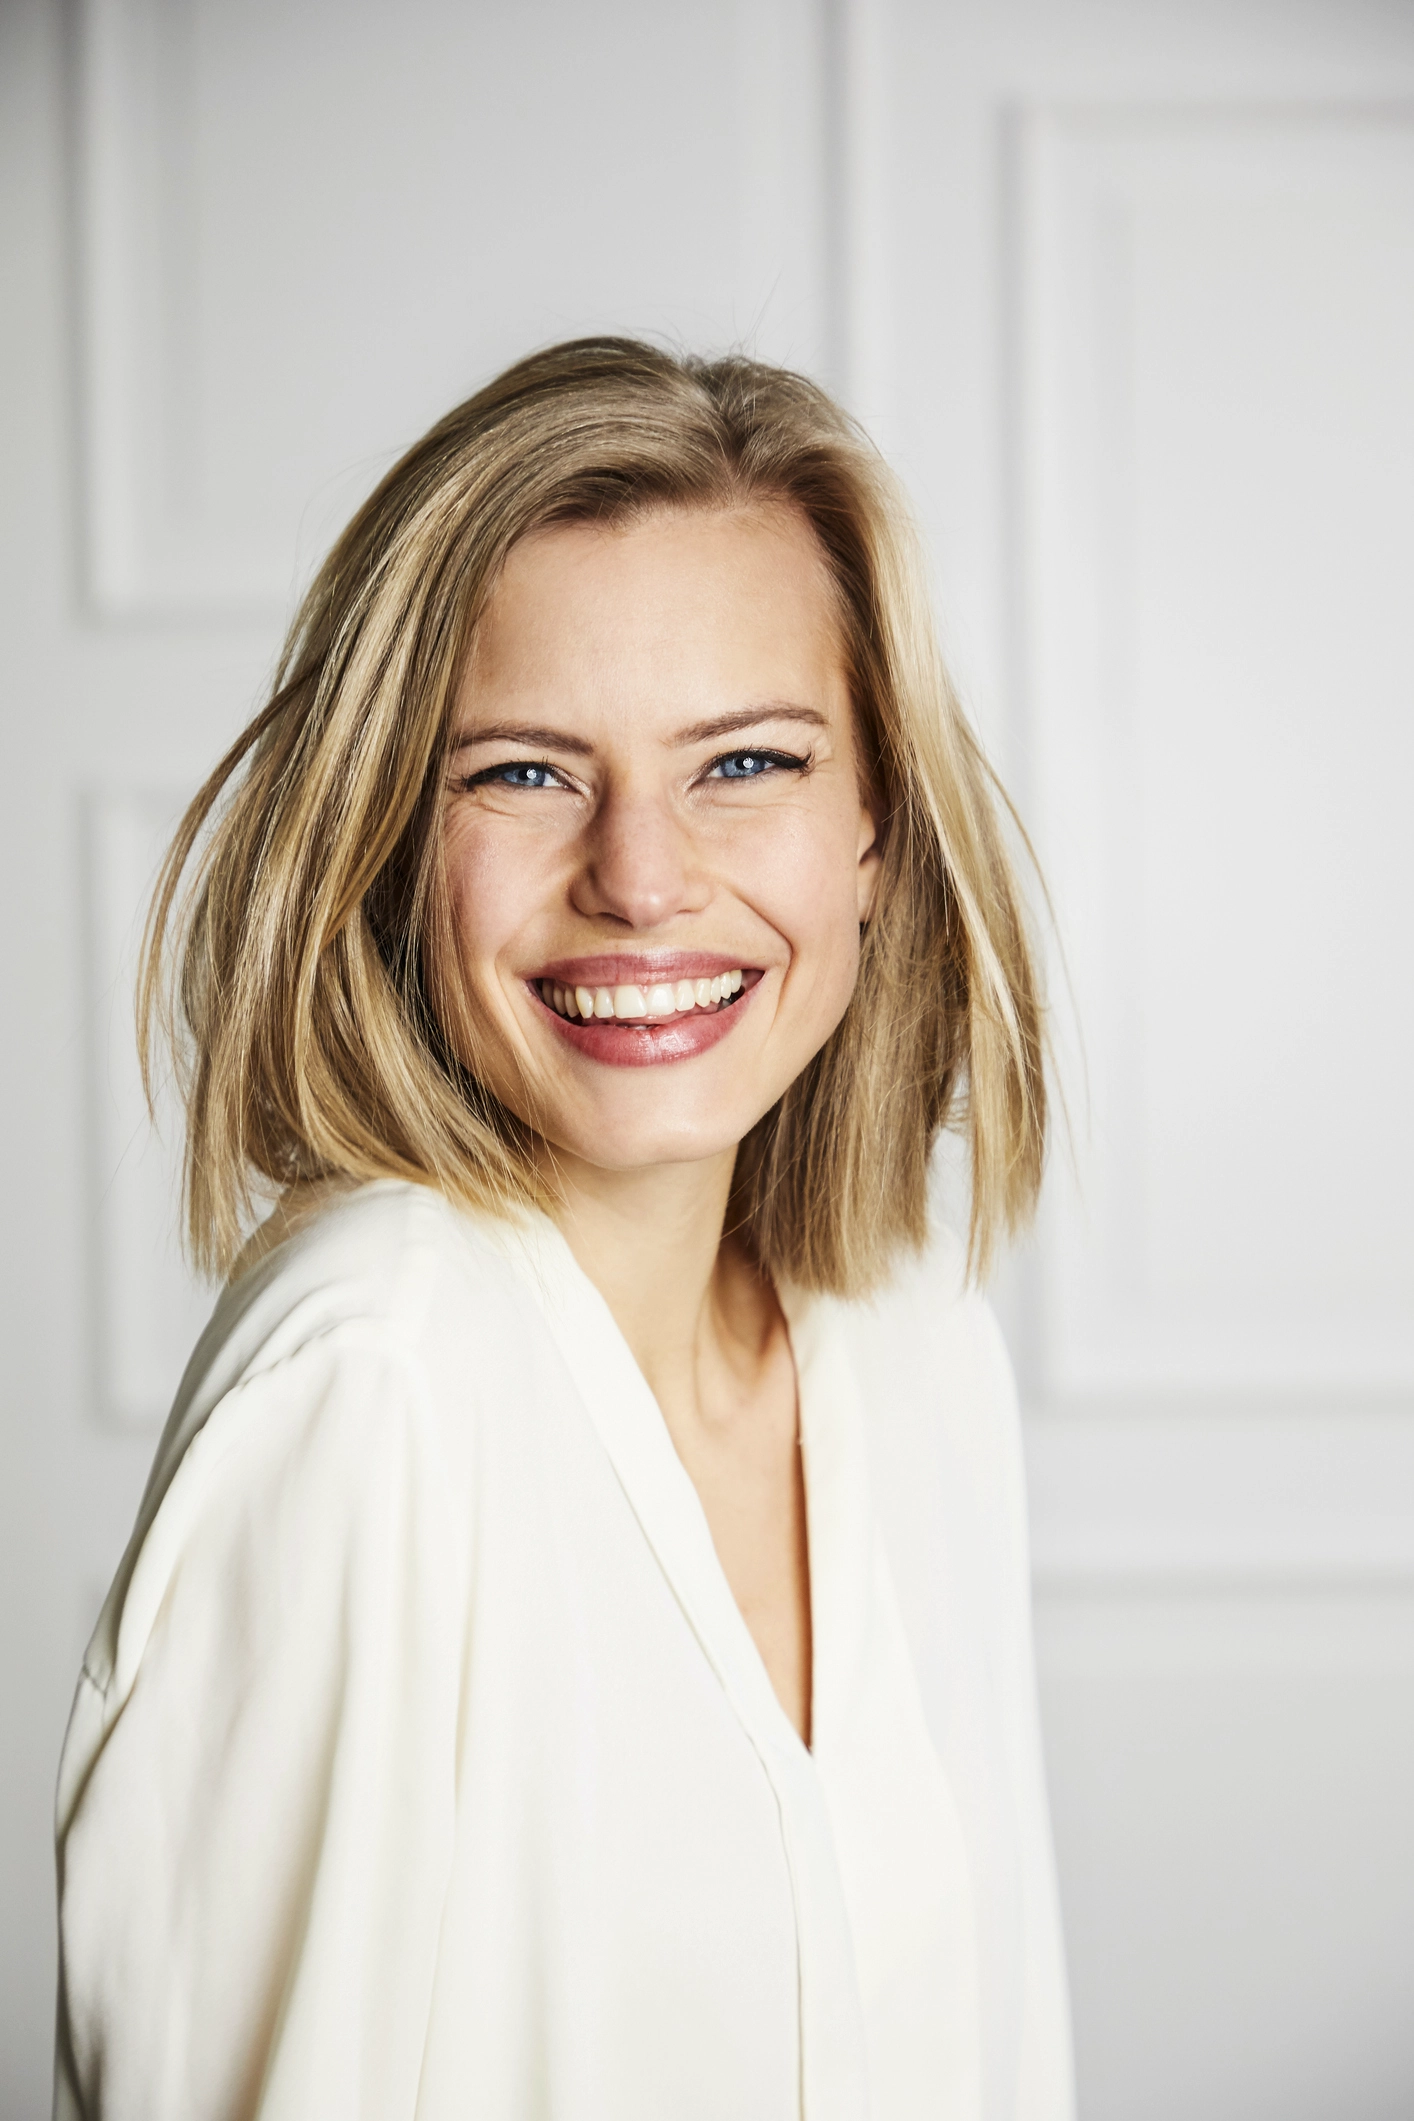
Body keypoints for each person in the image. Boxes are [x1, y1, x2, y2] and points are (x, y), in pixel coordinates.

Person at [54, 338, 1073, 2120]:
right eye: (523, 774)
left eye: (744, 762)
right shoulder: (376, 1386)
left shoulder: (915, 1342)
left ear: (875, 838)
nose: (643, 877)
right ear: (383, 840)